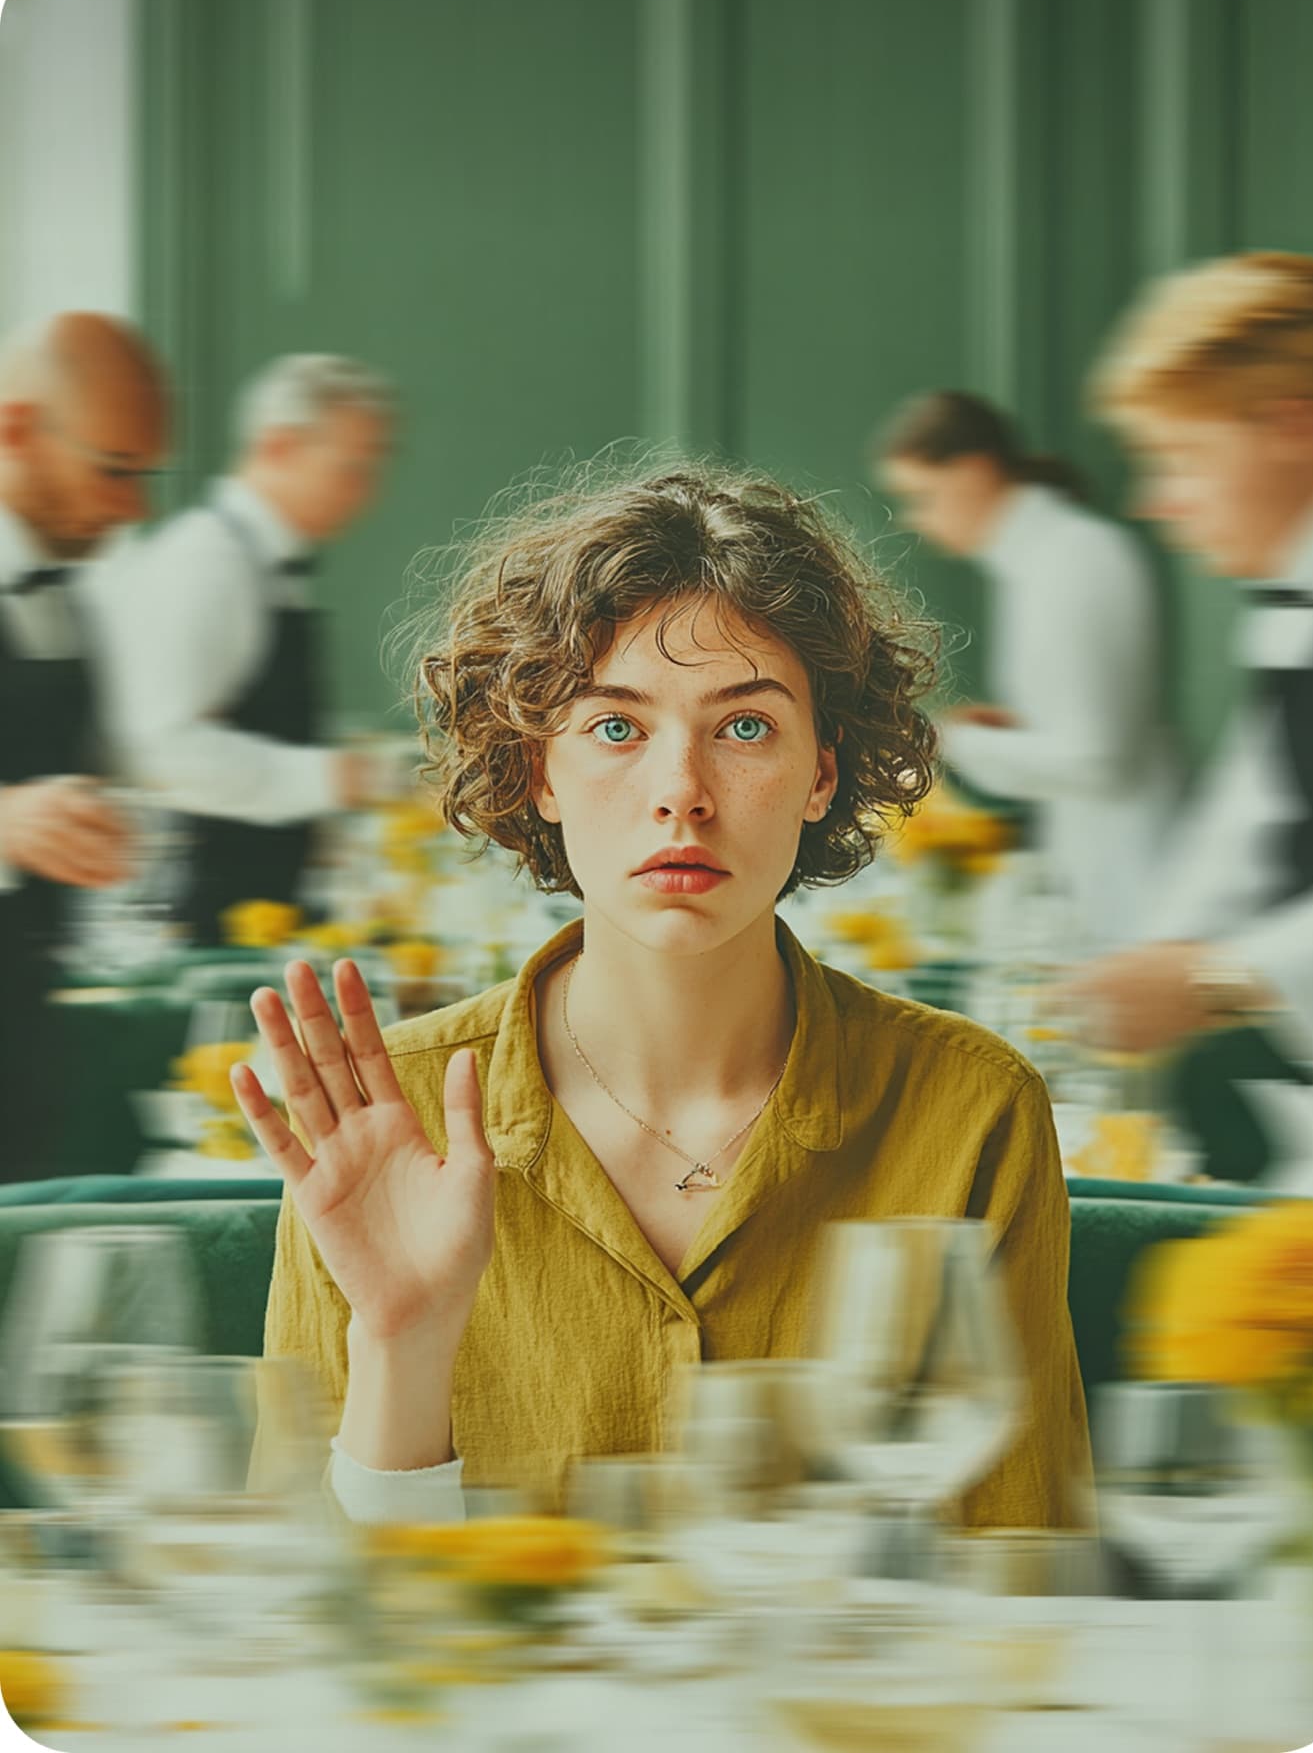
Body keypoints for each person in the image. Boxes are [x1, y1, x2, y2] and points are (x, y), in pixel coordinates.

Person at [239, 462, 1091, 1528]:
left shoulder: (971, 1113)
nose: (680, 792)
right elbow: (311, 1623)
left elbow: (1026, 1573)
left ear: (823, 773)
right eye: (615, 727)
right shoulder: (380, 1119)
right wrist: (403, 1346)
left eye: (744, 727)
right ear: (539, 770)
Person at [1076, 253, 1313, 1171]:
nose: (1158, 502)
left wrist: (1212, 978)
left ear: (1293, 428)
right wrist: (1144, 968)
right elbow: (1255, 814)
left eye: (1182, 457)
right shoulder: (1304, 599)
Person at [95, 353, 395, 944]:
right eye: (350, 469)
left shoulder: (266, 564)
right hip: (201, 912)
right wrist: (337, 777)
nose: (365, 493)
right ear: (279, 447)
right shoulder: (204, 564)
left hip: (264, 903)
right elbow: (161, 750)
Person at [875, 391, 1176, 950]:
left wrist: (950, 741)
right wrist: (1013, 731)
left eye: (923, 496)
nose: (919, 521)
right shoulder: (1043, 562)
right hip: (1093, 869)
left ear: (974, 472)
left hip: (1130, 874)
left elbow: (1101, 760)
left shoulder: (1074, 557)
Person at [0, 312, 168, 1180]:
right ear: (17, 429)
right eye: (113, 470)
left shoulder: (66, 592)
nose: (132, 506)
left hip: (31, 1037)